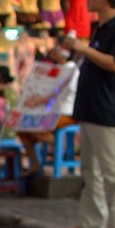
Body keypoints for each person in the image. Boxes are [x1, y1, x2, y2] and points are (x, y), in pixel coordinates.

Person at [63, 0, 115, 228]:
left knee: (112, 170)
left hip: (106, 108)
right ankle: (91, 221)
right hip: (90, 107)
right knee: (90, 168)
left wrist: (84, 48)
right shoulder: (101, 27)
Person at [16, 44, 79, 177]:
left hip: (66, 113)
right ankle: (35, 164)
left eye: (57, 48)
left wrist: (39, 100)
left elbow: (57, 92)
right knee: (23, 130)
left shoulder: (73, 70)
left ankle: (62, 147)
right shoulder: (54, 68)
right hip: (48, 111)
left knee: (40, 129)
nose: (53, 51)